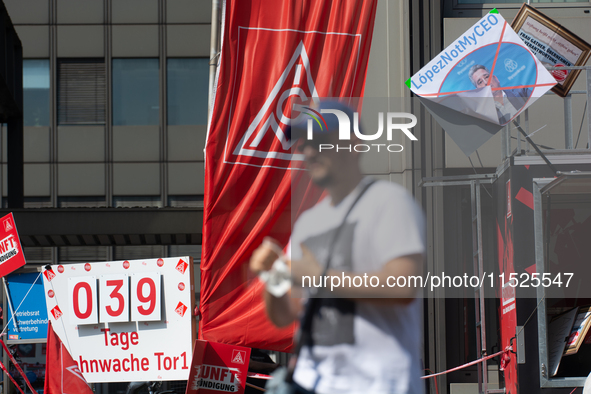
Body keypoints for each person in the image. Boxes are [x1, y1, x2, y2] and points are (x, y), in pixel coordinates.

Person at [250, 101, 426, 394]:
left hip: (378, 386)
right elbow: (284, 315)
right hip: (314, 383)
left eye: (319, 141)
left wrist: (317, 275)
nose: (308, 151)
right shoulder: (308, 223)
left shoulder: (390, 202)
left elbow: (402, 286)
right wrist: (271, 277)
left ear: (353, 144)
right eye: (303, 144)